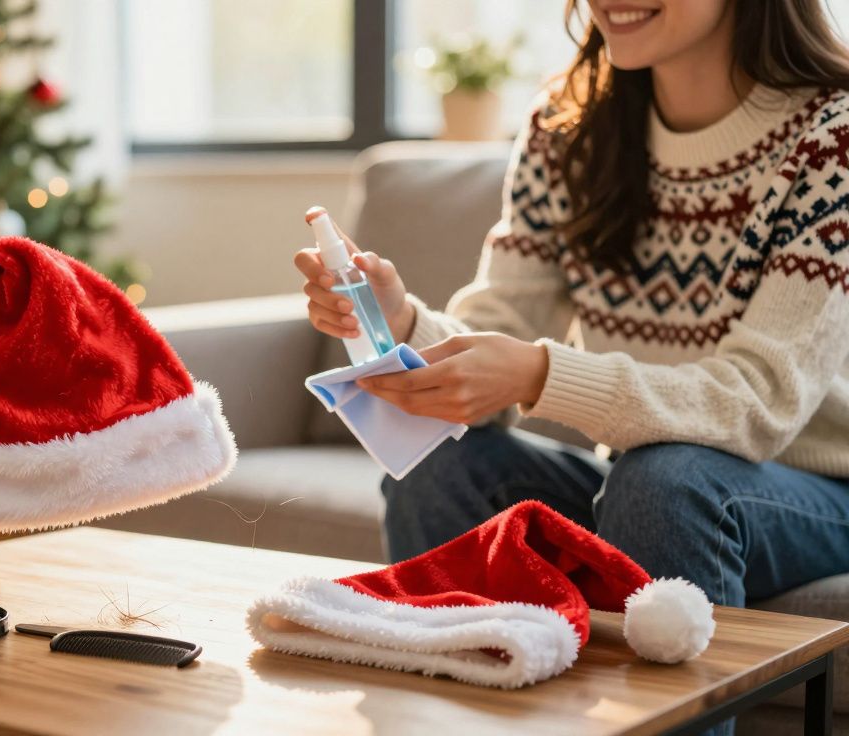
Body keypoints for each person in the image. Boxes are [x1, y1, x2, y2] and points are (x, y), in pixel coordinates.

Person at [298, 0, 849, 619]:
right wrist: (402, 323)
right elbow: (500, 332)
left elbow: (760, 399)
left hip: (816, 492)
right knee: (441, 465)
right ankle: (456, 693)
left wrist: (539, 374)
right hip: (643, 479)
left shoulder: (833, 138)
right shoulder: (567, 127)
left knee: (665, 483)